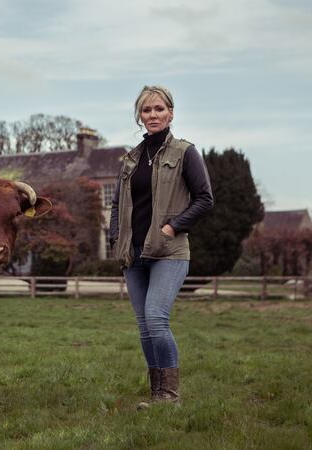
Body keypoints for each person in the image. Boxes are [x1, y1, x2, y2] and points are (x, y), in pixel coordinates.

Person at [109, 85, 214, 408]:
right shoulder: (130, 160)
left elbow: (205, 199)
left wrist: (172, 226)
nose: (153, 115)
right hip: (134, 255)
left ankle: (169, 397)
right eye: (146, 110)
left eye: (159, 109)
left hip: (169, 253)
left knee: (156, 318)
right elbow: (117, 206)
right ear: (139, 116)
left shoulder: (185, 152)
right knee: (144, 328)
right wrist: (116, 240)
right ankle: (157, 394)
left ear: (171, 113)